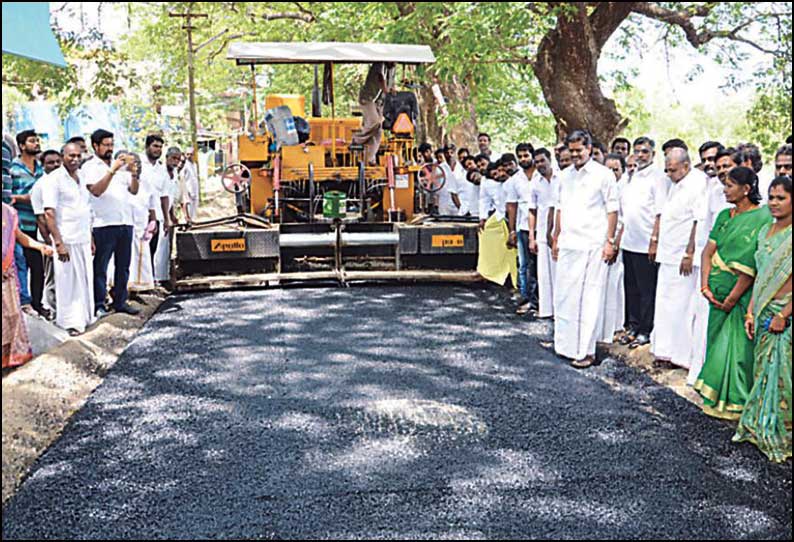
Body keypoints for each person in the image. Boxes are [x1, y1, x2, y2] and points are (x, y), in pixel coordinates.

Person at [694, 167, 772, 420]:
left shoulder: (761, 218)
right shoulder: (724, 216)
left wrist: (731, 299)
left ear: (746, 189)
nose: (725, 190)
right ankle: (715, 398)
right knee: (716, 341)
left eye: (729, 185)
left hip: (739, 298)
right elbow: (707, 251)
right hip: (715, 295)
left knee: (737, 350)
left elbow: (750, 267)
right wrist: (705, 286)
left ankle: (737, 403)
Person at [733, 176, 792, 463]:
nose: (774, 203)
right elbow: (759, 274)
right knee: (763, 369)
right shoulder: (765, 232)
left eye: (781, 197)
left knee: (782, 373)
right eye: (771, 197)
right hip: (762, 310)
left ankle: (784, 432)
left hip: (784, 313)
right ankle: (759, 426)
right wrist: (750, 310)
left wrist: (783, 314)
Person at [551, 130, 619, 369]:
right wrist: (556, 236)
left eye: (580, 150)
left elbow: (613, 210)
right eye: (572, 150)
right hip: (570, 243)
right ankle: (565, 346)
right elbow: (559, 208)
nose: (576, 154)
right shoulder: (563, 176)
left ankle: (586, 351)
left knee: (589, 298)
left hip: (593, 245)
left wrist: (609, 241)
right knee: (565, 296)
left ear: (589, 149)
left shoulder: (604, 175)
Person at [650, 148, 707, 369]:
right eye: (666, 170)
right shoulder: (675, 183)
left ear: (685, 166)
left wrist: (689, 253)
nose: (669, 174)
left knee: (681, 307)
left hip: (683, 257)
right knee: (665, 304)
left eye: (672, 170)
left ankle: (679, 356)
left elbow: (697, 220)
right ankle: (664, 351)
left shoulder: (697, 183)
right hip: (668, 254)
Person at [80, 129, 140, 316]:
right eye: (105, 145)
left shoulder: (121, 165)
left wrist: (134, 174)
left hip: (125, 221)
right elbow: (96, 191)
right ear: (95, 146)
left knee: (123, 266)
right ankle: (98, 304)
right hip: (103, 223)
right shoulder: (90, 167)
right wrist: (112, 170)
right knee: (101, 267)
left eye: (111, 144)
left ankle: (120, 301)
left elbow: (133, 191)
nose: (109, 148)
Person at [620, 137, 671, 348]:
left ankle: (645, 330)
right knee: (630, 288)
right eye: (638, 151)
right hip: (629, 241)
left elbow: (660, 212)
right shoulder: (631, 176)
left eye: (645, 152)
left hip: (645, 244)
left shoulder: (658, 177)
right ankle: (632, 326)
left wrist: (654, 240)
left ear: (653, 154)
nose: (641, 155)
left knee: (646, 290)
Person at [43, 143, 96, 336]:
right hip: (66, 238)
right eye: (70, 156)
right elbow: (49, 212)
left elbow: (86, 210)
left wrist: (90, 238)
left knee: (84, 279)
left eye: (78, 156)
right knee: (67, 282)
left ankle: (85, 318)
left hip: (82, 237)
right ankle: (70, 323)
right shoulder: (54, 179)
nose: (74, 159)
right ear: (62, 156)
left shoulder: (81, 178)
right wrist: (58, 242)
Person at [2, 203, 53, 367]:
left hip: (7, 275)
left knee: (11, 316)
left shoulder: (8, 212)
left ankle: (8, 359)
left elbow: (19, 236)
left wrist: (40, 247)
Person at [10, 130, 48, 319]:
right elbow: (8, 197)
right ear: (22, 146)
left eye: (37, 141)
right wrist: (25, 198)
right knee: (21, 264)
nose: (36, 144)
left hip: (37, 224)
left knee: (38, 267)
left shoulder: (41, 169)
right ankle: (24, 303)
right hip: (18, 225)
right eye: (32, 141)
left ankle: (37, 303)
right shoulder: (13, 168)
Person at [599, 153, 628, 343]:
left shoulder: (625, 189)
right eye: (608, 169)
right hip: (600, 241)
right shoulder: (602, 186)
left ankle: (615, 326)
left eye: (615, 169)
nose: (611, 173)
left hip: (618, 243)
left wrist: (614, 242)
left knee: (615, 286)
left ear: (622, 170)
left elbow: (624, 219)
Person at [504, 146, 537, 315]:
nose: (523, 159)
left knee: (540, 267)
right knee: (524, 265)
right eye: (520, 156)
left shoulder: (542, 175)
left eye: (526, 155)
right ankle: (526, 298)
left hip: (543, 227)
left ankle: (540, 301)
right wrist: (511, 230)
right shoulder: (515, 180)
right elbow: (511, 206)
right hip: (523, 226)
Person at [29, 150, 62, 318]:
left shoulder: (64, 182)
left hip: (65, 238)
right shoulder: (40, 186)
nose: (56, 165)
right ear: (43, 165)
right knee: (52, 278)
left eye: (58, 161)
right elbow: (41, 218)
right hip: (49, 240)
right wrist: (50, 242)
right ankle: (55, 313)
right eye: (51, 162)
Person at [528, 148, 559, 319]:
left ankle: (560, 310)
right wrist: (532, 237)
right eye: (537, 162)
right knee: (544, 272)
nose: (540, 164)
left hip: (560, 232)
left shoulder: (561, 178)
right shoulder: (535, 182)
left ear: (550, 159)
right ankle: (547, 309)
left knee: (559, 272)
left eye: (542, 160)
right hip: (541, 232)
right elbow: (531, 211)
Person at [478, 159, 516, 288]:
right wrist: (482, 218)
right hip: (500, 218)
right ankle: (493, 273)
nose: (499, 175)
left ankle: (517, 283)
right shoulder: (489, 184)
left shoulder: (514, 181)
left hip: (517, 220)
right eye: (496, 173)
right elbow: (484, 200)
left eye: (502, 171)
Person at [125, 152, 157, 294]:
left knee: (142, 257)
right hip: (126, 227)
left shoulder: (146, 184)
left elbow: (152, 205)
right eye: (131, 164)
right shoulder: (120, 182)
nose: (135, 167)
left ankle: (139, 290)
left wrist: (153, 221)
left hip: (141, 227)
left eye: (137, 163)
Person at [352, 62, 395, 166]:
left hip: (378, 102)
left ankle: (370, 159)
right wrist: (387, 90)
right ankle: (357, 139)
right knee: (375, 122)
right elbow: (381, 79)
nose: (394, 63)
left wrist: (392, 90)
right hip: (368, 98)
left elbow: (390, 83)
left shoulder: (391, 69)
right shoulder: (379, 65)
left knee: (379, 131)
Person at [140, 134, 171, 271]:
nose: (158, 150)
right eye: (155, 146)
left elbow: (164, 196)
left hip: (156, 217)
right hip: (139, 216)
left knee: (152, 251)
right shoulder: (138, 164)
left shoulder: (161, 169)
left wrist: (166, 218)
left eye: (160, 147)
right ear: (147, 146)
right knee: (139, 252)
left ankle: (150, 282)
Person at [155, 147, 182, 283]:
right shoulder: (160, 173)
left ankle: (164, 277)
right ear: (166, 157)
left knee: (166, 249)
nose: (176, 162)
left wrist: (172, 215)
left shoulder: (174, 173)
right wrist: (166, 218)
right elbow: (163, 197)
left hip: (166, 214)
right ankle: (157, 279)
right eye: (173, 158)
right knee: (159, 249)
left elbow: (171, 197)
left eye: (178, 159)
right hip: (159, 215)